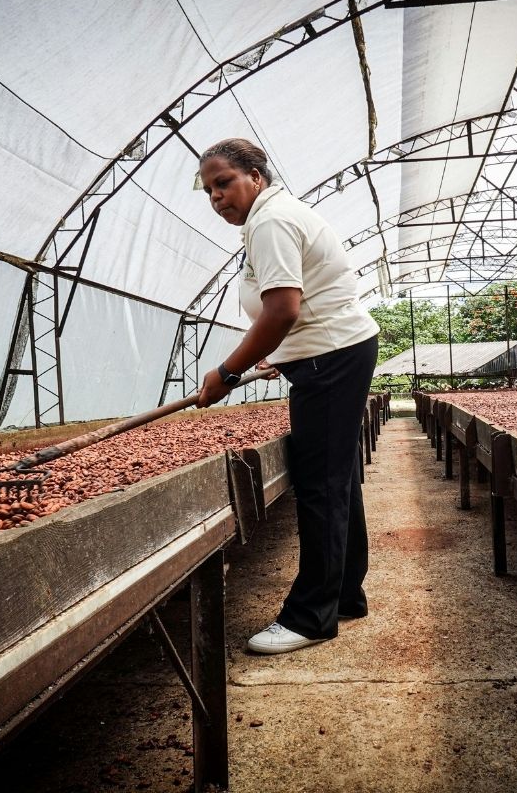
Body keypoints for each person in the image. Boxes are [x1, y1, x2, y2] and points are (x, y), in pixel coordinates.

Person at [195, 138, 380, 655]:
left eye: (224, 182)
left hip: (330, 357)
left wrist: (226, 373)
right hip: (329, 352)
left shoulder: (270, 222)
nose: (217, 197)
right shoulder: (271, 218)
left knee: (319, 484)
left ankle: (309, 618)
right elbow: (298, 309)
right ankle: (344, 595)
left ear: (255, 176)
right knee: (336, 479)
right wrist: (281, 355)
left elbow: (283, 310)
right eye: (209, 190)